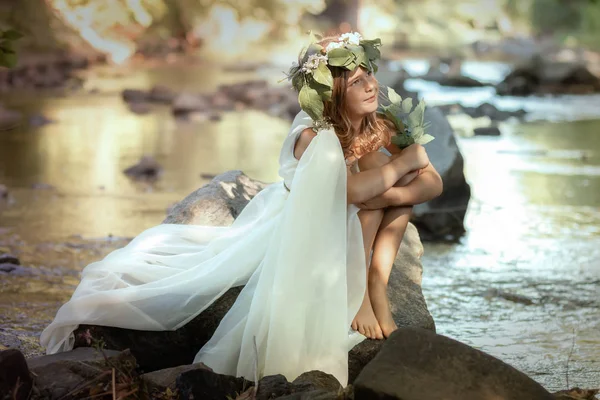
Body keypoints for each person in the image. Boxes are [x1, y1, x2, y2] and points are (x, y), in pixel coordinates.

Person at [40, 32, 442, 386]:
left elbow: (433, 183)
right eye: (357, 82)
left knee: (391, 196)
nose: (372, 85)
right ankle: (362, 294)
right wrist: (403, 165)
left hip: (354, 210)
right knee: (377, 197)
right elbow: (351, 192)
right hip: (306, 219)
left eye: (369, 74)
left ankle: (375, 280)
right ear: (334, 93)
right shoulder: (313, 135)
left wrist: (391, 189)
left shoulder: (380, 122)